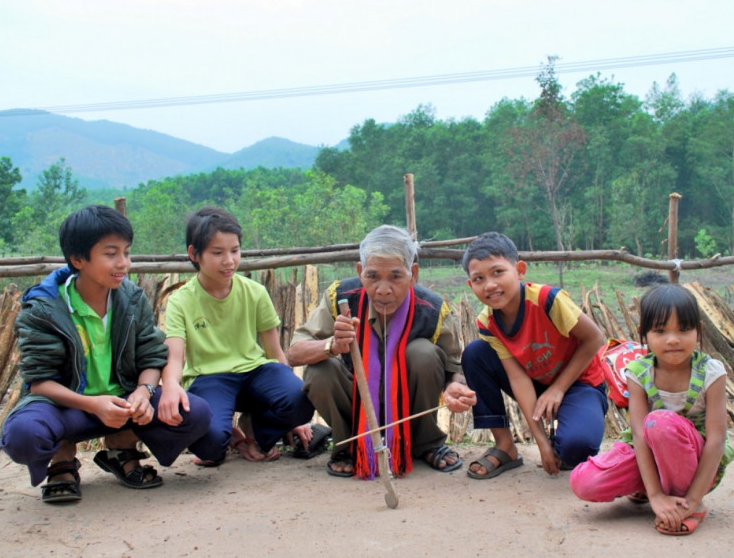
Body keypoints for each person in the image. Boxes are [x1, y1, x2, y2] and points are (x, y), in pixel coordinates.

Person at [0, 205, 212, 503]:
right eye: (110, 254)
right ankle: (63, 456)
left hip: (122, 403)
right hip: (68, 407)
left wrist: (143, 390)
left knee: (195, 413)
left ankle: (120, 446)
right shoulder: (45, 309)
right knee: (23, 433)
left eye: (126, 252)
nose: (123, 263)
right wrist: (92, 404)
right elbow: (39, 381)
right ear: (78, 259)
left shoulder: (130, 299)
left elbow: (151, 356)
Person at [287, 225, 476, 479]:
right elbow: (294, 353)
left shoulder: (432, 309)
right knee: (320, 369)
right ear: (360, 271)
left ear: (413, 274)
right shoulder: (340, 298)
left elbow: (454, 369)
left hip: (407, 409)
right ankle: (348, 447)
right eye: (373, 276)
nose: (383, 289)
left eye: (396, 277)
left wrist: (455, 386)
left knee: (424, 353)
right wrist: (331, 345)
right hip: (355, 403)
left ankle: (426, 444)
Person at [159, 206, 315, 466]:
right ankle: (230, 437)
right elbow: (175, 358)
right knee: (209, 447)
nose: (229, 260)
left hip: (255, 373)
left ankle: (257, 432)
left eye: (234, 250)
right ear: (193, 253)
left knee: (300, 398)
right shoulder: (180, 301)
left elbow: (275, 353)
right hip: (209, 379)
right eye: (217, 253)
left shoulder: (254, 292)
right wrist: (171, 387)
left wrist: (294, 417)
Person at [571, 284, 732, 536]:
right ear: (643, 335)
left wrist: (692, 498)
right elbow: (638, 436)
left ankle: (688, 505)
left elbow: (716, 440)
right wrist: (655, 495)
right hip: (649, 452)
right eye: (660, 330)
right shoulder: (639, 373)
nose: (672, 339)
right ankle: (651, 488)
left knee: (659, 423)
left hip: (696, 466)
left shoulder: (711, 373)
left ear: (698, 331)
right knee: (584, 482)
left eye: (684, 329)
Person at [460, 232, 608, 479]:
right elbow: (517, 379)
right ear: (471, 284)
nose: (490, 285)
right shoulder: (488, 322)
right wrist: (540, 441)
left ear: (519, 270)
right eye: (479, 278)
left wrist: (558, 388)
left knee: (577, 448)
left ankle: (565, 440)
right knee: (475, 354)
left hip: (579, 382)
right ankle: (505, 445)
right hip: (535, 382)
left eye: (498, 272)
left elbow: (595, 339)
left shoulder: (547, 300)